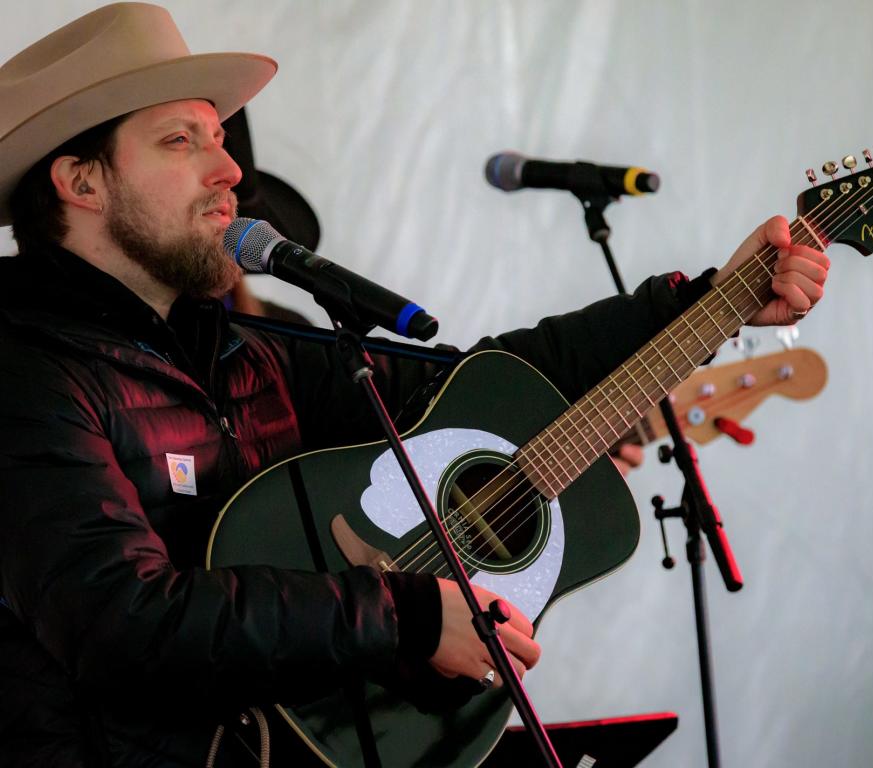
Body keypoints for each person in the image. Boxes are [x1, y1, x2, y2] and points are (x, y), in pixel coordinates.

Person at [0, 4, 829, 766]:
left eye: (219, 137)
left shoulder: (248, 351)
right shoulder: (26, 371)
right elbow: (121, 621)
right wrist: (409, 616)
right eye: (182, 140)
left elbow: (492, 388)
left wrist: (705, 304)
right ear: (81, 181)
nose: (228, 171)